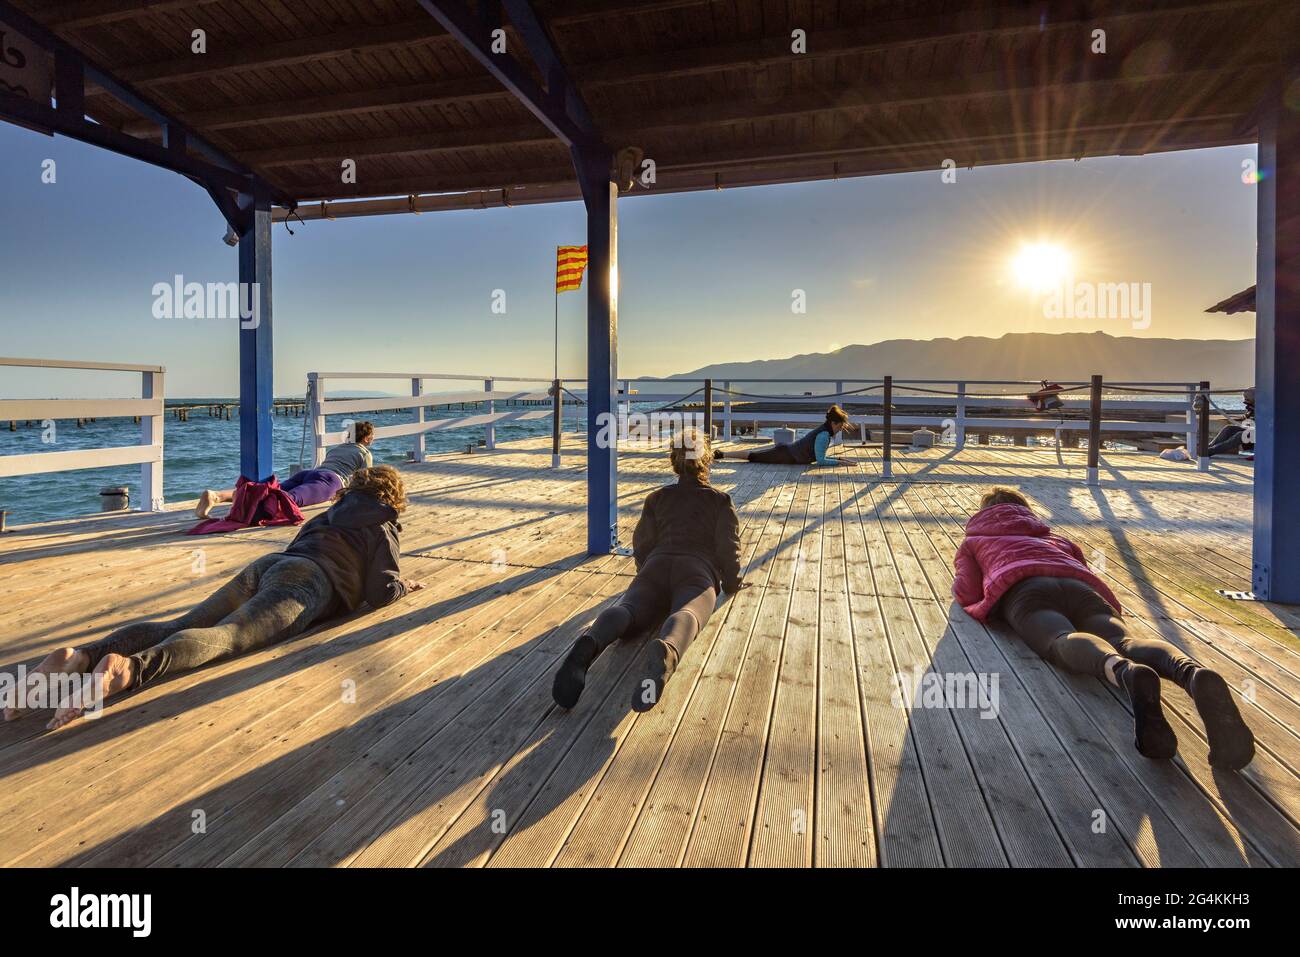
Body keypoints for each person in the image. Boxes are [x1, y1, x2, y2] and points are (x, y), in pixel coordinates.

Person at [7, 465, 422, 730]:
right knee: (229, 636)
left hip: (270, 564)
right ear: (393, 498)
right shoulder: (383, 523)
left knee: (181, 623)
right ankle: (129, 670)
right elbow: (381, 590)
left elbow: (302, 545)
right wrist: (405, 587)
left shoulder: (330, 513)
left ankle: (81, 656)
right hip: (307, 584)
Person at [952, 487, 1254, 770]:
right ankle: (1191, 673)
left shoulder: (976, 540)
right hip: (1082, 589)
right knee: (1123, 639)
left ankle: (1123, 672)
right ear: (1026, 512)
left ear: (984, 514)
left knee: (1061, 638)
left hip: (1027, 592)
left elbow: (966, 591)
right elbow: (1081, 565)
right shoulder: (1055, 538)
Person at [553, 428, 746, 713]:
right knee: (688, 614)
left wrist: (647, 576)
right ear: (707, 461)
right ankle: (667, 649)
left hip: (656, 565)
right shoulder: (720, 501)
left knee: (629, 609)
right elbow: (729, 552)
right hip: (697, 571)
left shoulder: (656, 498)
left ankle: (591, 641)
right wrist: (731, 583)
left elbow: (641, 545)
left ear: (674, 460)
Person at [195, 421, 376, 518]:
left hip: (309, 473)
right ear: (367, 438)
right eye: (372, 436)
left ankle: (218, 496)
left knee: (270, 491)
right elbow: (364, 481)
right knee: (289, 501)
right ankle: (246, 514)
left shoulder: (337, 449)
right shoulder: (364, 453)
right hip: (330, 481)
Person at [722, 404, 852, 465]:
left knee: (753, 455)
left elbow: (820, 456)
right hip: (786, 454)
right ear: (833, 423)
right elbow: (821, 460)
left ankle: (723, 454)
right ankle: (723, 454)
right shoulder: (824, 435)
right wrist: (840, 463)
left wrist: (839, 459)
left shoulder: (824, 431)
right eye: (840, 426)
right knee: (753, 456)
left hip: (787, 452)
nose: (840, 429)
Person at [1207, 388, 1255, 457]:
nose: (1245, 401)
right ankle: (1209, 447)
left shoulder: (1263, 407)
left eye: (1247, 399)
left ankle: (1211, 451)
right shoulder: (1251, 408)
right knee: (1229, 428)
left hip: (1261, 433)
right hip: (1252, 429)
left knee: (1241, 435)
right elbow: (1247, 419)